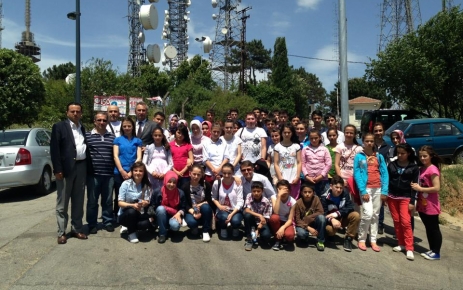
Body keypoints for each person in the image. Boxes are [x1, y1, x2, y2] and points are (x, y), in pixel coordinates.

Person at [51, 102, 88, 244]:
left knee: (78, 201)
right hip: (65, 170)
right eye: (72, 111)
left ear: (81, 113)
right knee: (63, 203)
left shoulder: (82, 128)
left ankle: (77, 228)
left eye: (78, 111)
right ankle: (61, 232)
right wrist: (57, 169)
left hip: (81, 167)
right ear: (67, 113)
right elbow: (55, 150)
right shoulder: (59, 127)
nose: (75, 114)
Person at [353, 133, 389, 252]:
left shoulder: (379, 156)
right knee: (367, 213)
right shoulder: (359, 156)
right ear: (363, 142)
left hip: (378, 188)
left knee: (375, 215)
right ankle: (362, 238)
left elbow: (385, 173)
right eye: (367, 141)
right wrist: (362, 190)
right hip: (366, 188)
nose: (369, 143)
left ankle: (373, 240)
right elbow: (357, 174)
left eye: (371, 141)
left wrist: (384, 190)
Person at [388, 143, 419, 260]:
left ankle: (409, 247)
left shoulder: (414, 168)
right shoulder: (392, 165)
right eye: (398, 153)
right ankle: (401, 243)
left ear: (408, 153)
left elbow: (416, 186)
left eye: (403, 153)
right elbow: (387, 180)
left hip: (405, 197)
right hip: (392, 197)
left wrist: (412, 201)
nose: (400, 155)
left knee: (406, 222)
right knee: (396, 221)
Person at [86, 112, 116, 234]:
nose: (102, 122)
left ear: (107, 122)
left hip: (109, 174)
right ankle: (92, 224)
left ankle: (107, 221)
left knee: (108, 200)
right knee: (92, 201)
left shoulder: (112, 137)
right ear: (94, 121)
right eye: (99, 120)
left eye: (104, 120)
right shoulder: (87, 136)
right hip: (93, 175)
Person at [411, 146, 443, 260]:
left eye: (425, 156)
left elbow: (436, 188)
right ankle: (432, 250)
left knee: (433, 228)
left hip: (431, 204)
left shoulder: (433, 169)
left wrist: (420, 189)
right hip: (423, 204)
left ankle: (436, 252)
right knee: (428, 228)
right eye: (420, 156)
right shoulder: (422, 168)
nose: (422, 158)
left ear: (431, 156)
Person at [113, 117, 143, 222]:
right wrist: (122, 171)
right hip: (119, 172)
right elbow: (116, 156)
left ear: (133, 127)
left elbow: (139, 157)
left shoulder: (138, 141)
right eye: (124, 126)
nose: (127, 128)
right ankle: (119, 216)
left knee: (132, 194)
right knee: (119, 195)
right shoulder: (117, 140)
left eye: (129, 126)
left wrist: (131, 172)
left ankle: (132, 216)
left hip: (133, 172)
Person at [321, 176, 360, 252]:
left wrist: (337, 214)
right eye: (337, 187)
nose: (339, 190)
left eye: (341, 188)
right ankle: (329, 235)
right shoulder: (324, 197)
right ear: (331, 186)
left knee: (356, 215)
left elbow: (350, 207)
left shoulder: (345, 193)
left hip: (341, 217)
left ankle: (348, 239)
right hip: (330, 222)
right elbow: (323, 213)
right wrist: (332, 219)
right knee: (330, 230)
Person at [117, 162, 153, 243]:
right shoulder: (125, 184)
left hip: (140, 213)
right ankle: (131, 233)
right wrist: (132, 205)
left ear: (144, 173)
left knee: (146, 224)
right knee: (131, 211)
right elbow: (120, 203)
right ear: (132, 172)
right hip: (126, 214)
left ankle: (132, 228)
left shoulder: (146, 185)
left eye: (141, 171)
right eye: (135, 170)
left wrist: (144, 203)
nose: (138, 173)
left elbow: (147, 201)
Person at [151, 171, 187, 243]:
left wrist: (179, 213)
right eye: (169, 182)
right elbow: (153, 205)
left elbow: (183, 207)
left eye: (174, 182)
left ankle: (169, 228)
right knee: (161, 209)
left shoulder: (180, 193)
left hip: (174, 215)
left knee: (175, 226)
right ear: (165, 180)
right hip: (161, 216)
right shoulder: (157, 191)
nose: (171, 184)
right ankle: (162, 234)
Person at [181, 164, 214, 242]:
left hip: (203, 208)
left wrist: (199, 205)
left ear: (201, 175)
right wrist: (193, 212)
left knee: (206, 207)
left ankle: (205, 231)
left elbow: (209, 200)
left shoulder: (206, 185)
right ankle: (194, 227)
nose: (196, 176)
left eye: (198, 174)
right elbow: (184, 204)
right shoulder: (185, 187)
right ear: (190, 173)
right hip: (191, 210)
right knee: (192, 222)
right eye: (194, 174)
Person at [212, 163, 244, 239]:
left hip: (235, 210)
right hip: (222, 209)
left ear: (233, 173)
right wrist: (219, 206)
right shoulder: (217, 183)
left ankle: (235, 228)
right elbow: (213, 197)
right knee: (223, 217)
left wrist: (232, 214)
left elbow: (240, 201)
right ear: (221, 173)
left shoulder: (237, 183)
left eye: (229, 173)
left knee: (235, 221)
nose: (226, 175)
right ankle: (223, 228)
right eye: (224, 173)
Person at [295, 183, 326, 251]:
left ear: (313, 193)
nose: (307, 194)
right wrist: (308, 227)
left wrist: (308, 217)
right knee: (302, 234)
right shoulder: (298, 203)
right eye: (305, 192)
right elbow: (298, 220)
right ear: (301, 193)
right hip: (303, 225)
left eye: (310, 192)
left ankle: (320, 241)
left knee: (321, 218)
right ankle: (305, 237)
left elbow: (321, 212)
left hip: (313, 222)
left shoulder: (316, 198)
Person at [274, 124, 302, 199]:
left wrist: (297, 177)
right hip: (283, 178)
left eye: (289, 132)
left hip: (294, 179)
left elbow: (299, 162)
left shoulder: (296, 146)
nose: (286, 134)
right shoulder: (277, 147)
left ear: (292, 133)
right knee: (283, 199)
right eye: (284, 132)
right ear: (281, 133)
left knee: (293, 199)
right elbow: (276, 163)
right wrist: (280, 178)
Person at [301, 129, 332, 197]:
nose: (314, 140)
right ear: (309, 138)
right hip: (309, 180)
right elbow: (303, 164)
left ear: (320, 137)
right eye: (311, 138)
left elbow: (329, 164)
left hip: (323, 180)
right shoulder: (305, 149)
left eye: (316, 138)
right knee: (309, 199)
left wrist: (321, 176)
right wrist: (307, 176)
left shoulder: (324, 149)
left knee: (324, 199)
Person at [243, 181, 273, 251]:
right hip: (252, 220)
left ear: (262, 191)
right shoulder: (249, 196)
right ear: (251, 191)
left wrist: (258, 229)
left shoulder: (266, 201)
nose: (256, 193)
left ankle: (258, 236)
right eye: (254, 191)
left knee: (266, 236)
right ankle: (249, 239)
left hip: (261, 222)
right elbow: (247, 210)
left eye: (258, 191)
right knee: (247, 215)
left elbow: (266, 217)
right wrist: (259, 215)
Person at [269, 180, 296, 251]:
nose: (282, 191)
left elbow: (290, 219)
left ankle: (283, 236)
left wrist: (283, 227)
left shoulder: (293, 201)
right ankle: (277, 240)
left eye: (285, 189)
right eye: (280, 189)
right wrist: (279, 197)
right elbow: (276, 212)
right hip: (276, 221)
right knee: (274, 217)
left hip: (286, 222)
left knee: (290, 236)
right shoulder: (274, 197)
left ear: (289, 191)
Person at [142, 127, 173, 191]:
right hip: (152, 174)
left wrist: (164, 173)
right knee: (152, 191)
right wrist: (152, 172)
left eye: (159, 135)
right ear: (152, 136)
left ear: (162, 136)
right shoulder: (149, 147)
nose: (157, 137)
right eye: (155, 135)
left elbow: (171, 163)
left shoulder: (166, 147)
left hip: (164, 173)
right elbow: (144, 163)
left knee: (163, 191)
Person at [373, 122, 390, 234]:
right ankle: (371, 223)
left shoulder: (388, 147)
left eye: (380, 130)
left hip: (382, 178)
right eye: (376, 131)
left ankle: (380, 224)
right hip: (370, 177)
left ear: (383, 132)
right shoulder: (370, 145)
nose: (378, 133)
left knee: (380, 202)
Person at [169, 123, 194, 189]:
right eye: (179, 132)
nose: (180, 135)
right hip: (173, 173)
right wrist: (176, 172)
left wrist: (181, 172)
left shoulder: (188, 145)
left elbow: (191, 160)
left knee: (184, 193)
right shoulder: (170, 145)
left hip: (185, 175)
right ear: (175, 133)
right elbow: (168, 160)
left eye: (183, 134)